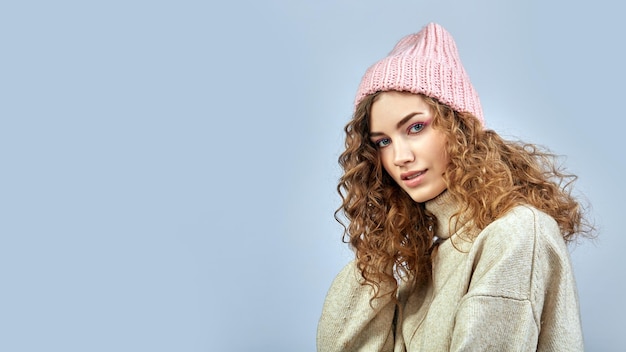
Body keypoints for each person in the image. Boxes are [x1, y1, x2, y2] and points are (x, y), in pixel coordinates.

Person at [316, 22, 594, 351]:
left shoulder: (517, 234)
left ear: (460, 127)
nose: (400, 156)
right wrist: (377, 256)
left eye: (416, 127)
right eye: (383, 142)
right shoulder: (427, 261)